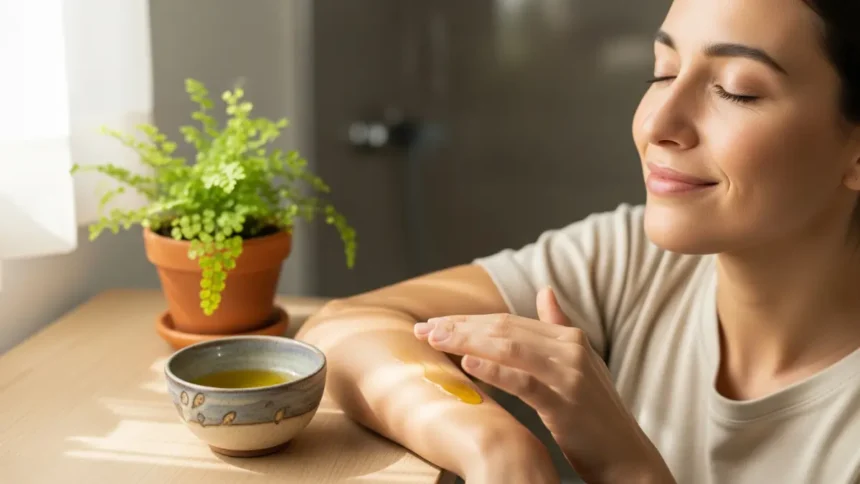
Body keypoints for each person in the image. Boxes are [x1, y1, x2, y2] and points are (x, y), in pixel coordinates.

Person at [296, 0, 860, 482]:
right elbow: (350, 325)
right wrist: (497, 445)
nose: (657, 122)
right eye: (662, 72)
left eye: (736, 91)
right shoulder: (636, 261)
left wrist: (624, 466)